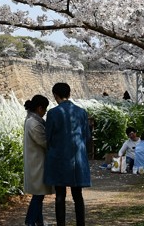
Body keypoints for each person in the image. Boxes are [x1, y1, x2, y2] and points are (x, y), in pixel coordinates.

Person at [44, 82, 91, 226]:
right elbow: (87, 136)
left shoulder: (52, 113)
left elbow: (48, 136)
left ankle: (61, 224)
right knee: (78, 195)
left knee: (60, 195)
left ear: (55, 95)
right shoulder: (82, 112)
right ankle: (81, 223)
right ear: (69, 94)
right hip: (78, 158)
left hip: (59, 158)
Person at [23, 94, 53, 226]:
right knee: (38, 195)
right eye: (44, 109)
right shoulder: (34, 124)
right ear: (40, 108)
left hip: (36, 162)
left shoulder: (31, 120)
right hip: (38, 164)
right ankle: (30, 221)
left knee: (39, 195)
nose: (45, 112)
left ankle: (38, 221)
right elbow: (45, 142)